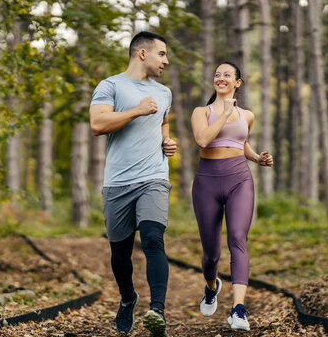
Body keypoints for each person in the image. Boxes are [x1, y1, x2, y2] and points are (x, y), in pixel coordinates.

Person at [89, 31, 177, 337]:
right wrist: (137, 110)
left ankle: (157, 312)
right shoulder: (111, 85)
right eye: (162, 54)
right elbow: (98, 124)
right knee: (120, 253)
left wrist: (167, 140)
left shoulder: (164, 93)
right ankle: (128, 298)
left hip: (153, 177)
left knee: (153, 239)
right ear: (143, 54)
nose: (166, 60)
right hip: (118, 182)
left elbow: (163, 121)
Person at [190, 61, 273, 331]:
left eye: (227, 75)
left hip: (239, 179)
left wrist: (257, 158)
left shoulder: (247, 116)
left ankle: (238, 309)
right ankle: (212, 287)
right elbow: (203, 140)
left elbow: (241, 143)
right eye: (217, 74)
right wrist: (225, 114)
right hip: (207, 183)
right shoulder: (200, 112)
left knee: (238, 239)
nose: (220, 78)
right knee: (211, 254)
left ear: (238, 82)